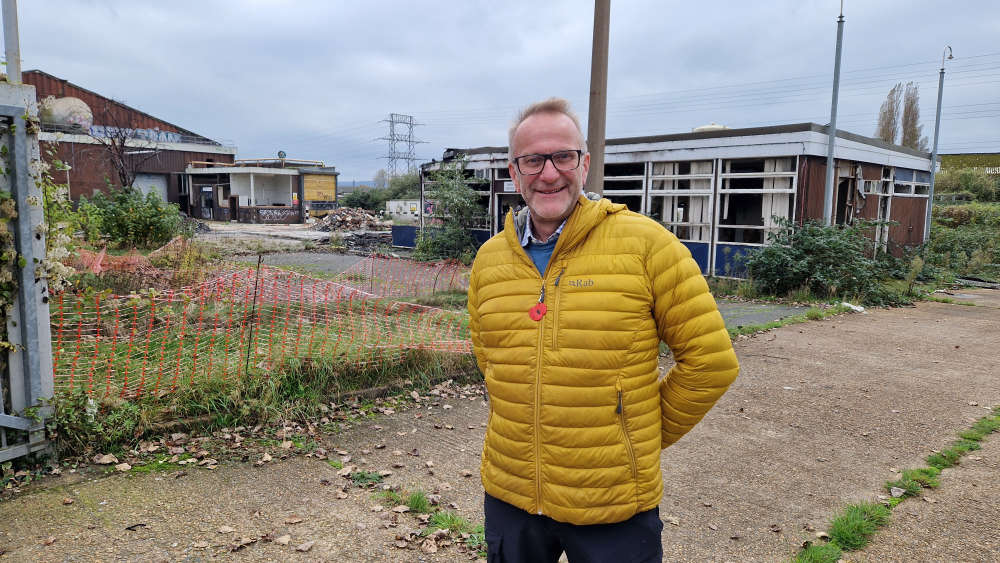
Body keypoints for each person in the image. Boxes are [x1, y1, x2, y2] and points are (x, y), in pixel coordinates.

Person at [467, 98, 740, 563]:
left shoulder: (647, 245)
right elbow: (490, 362)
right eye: (532, 159)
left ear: (585, 163)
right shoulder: (490, 260)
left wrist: (634, 437)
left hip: (612, 503)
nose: (548, 173)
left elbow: (711, 364)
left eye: (563, 157)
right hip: (512, 498)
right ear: (514, 172)